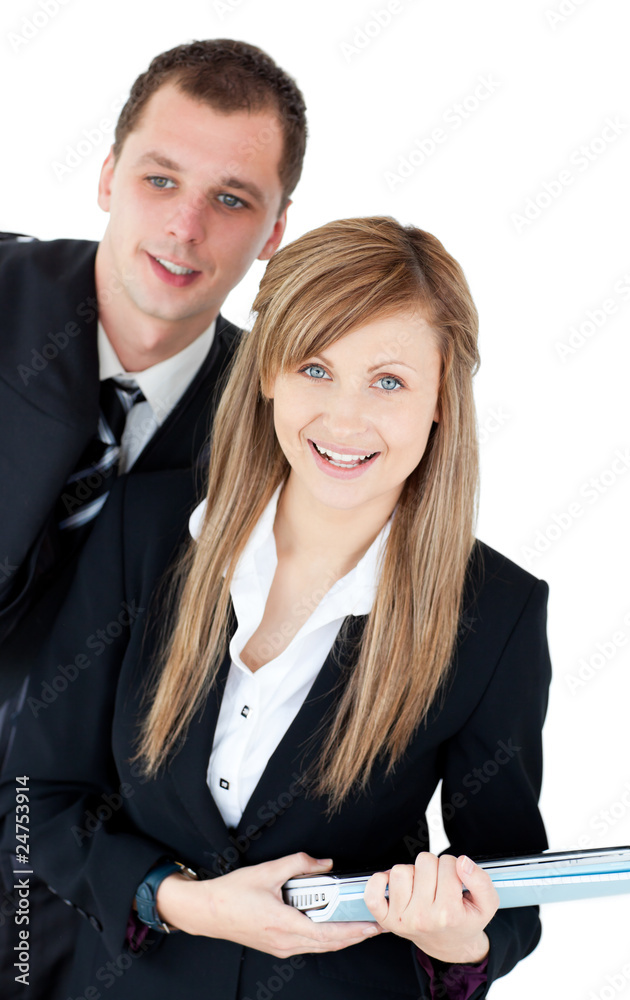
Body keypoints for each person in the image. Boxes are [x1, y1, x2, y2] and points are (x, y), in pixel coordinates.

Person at [0, 217, 551, 1000]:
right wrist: (178, 900)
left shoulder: (497, 613)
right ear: (265, 374)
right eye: (314, 368)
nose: (345, 419)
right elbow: (34, 801)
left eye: (388, 381)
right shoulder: (144, 532)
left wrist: (460, 939)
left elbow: (511, 888)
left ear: (441, 401)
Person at [0, 37, 306, 999]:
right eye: (160, 178)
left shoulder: (276, 428)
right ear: (105, 176)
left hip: (55, 878)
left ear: (273, 233)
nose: (183, 228)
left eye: (230, 199)